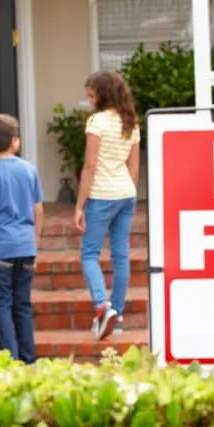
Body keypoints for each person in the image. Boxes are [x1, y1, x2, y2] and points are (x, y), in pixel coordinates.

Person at [73, 70, 141, 340]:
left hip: (101, 195)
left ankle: (103, 307)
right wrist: (129, 191)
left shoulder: (97, 122)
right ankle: (118, 314)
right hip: (126, 193)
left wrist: (79, 205)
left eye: (91, 95)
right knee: (120, 255)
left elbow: (90, 166)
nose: (89, 101)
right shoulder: (130, 121)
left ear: (103, 94)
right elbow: (134, 167)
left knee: (89, 254)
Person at [0, 114, 43, 363]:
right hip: (26, 245)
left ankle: (9, 359)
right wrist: (35, 244)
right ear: (15, 141)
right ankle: (29, 358)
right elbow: (39, 210)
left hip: (1, 248)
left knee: (2, 304)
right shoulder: (29, 170)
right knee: (23, 305)